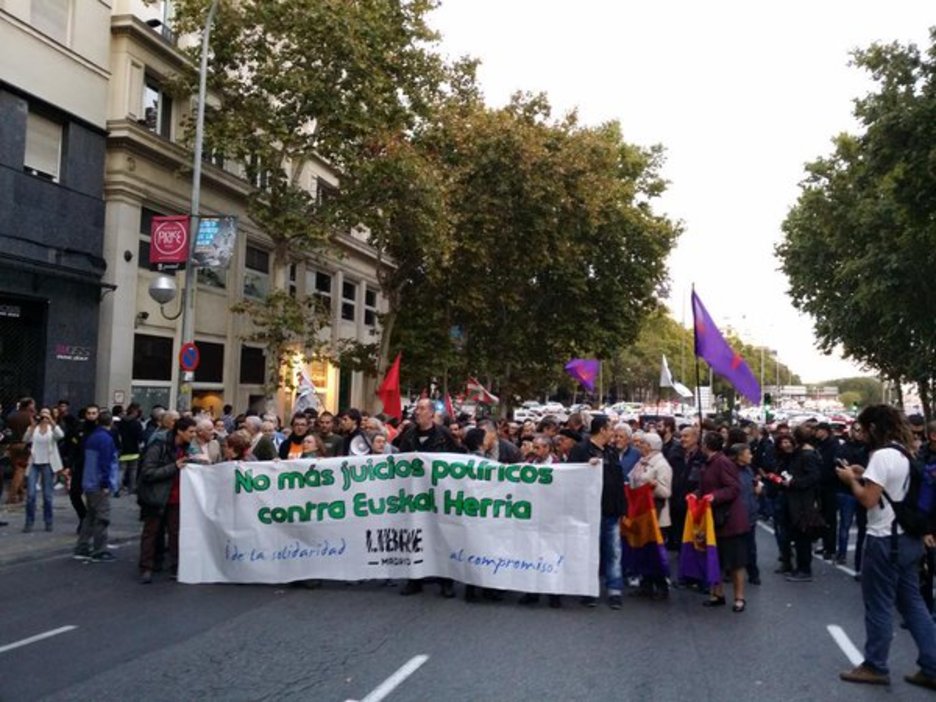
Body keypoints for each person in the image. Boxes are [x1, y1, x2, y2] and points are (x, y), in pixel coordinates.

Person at [837, 405, 936, 690]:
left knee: (878, 604)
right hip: (909, 538)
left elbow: (868, 499)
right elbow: (894, 488)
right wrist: (864, 472)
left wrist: (851, 480)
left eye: (864, 428)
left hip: (885, 540)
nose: (861, 433)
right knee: (913, 603)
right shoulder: (905, 453)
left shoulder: (881, 455)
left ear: (873, 428)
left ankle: (875, 665)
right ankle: (931, 666)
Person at [396, 398, 461, 598]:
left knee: (442, 534)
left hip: (438, 495)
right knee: (414, 535)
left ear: (432, 413)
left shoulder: (444, 435)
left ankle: (446, 580)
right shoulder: (408, 435)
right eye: (417, 408)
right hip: (415, 495)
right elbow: (398, 460)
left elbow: (458, 458)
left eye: (422, 408)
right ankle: (415, 579)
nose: (418, 412)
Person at [570, 416, 624, 609]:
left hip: (610, 509)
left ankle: (614, 590)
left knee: (613, 551)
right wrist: (586, 467)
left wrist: (621, 508)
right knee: (589, 551)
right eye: (611, 429)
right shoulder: (580, 450)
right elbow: (571, 477)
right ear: (602, 430)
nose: (613, 434)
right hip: (589, 511)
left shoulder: (611, 452)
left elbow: (618, 481)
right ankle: (588, 589)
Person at [138, 416, 198, 584]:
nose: (193, 435)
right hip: (157, 498)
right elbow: (148, 472)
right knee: (151, 533)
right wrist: (174, 467)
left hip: (177, 498)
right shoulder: (159, 447)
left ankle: (176, 567)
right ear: (180, 431)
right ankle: (146, 567)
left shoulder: (187, 449)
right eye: (191, 432)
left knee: (176, 534)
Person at [699, 431, 749, 612]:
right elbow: (706, 486)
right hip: (716, 518)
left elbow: (734, 488)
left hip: (730, 519)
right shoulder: (709, 462)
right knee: (715, 558)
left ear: (706, 445)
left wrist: (714, 496)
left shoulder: (722, 463)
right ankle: (717, 593)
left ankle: (739, 598)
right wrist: (696, 496)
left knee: (736, 561)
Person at [628, 431, 673, 599]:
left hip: (657, 517)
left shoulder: (661, 465)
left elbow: (666, 492)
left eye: (644, 444)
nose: (640, 446)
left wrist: (653, 486)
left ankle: (661, 585)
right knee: (644, 551)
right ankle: (646, 584)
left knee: (655, 553)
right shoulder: (641, 462)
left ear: (651, 447)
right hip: (642, 513)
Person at [74, 410, 118, 562]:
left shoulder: (92, 437)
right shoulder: (106, 439)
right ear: (111, 423)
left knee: (90, 516)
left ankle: (82, 547)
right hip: (99, 483)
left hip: (89, 481)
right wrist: (105, 483)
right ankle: (99, 550)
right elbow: (105, 463)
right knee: (102, 517)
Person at [783, 426, 823, 583]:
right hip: (799, 500)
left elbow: (813, 477)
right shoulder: (805, 453)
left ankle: (804, 569)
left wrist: (793, 482)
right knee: (800, 535)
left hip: (803, 501)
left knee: (803, 535)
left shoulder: (807, 455)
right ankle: (801, 567)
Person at [23, 407, 64, 532]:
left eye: (47, 414)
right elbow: (25, 439)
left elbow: (61, 435)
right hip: (34, 463)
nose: (44, 416)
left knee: (47, 496)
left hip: (48, 463)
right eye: (42, 414)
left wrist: (51, 421)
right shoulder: (34, 428)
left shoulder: (52, 429)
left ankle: (48, 521)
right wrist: (31, 427)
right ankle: (29, 522)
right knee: (30, 495)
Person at [730, 443, 762, 586]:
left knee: (750, 547)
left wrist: (757, 488)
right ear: (739, 456)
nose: (751, 456)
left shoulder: (749, 469)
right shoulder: (731, 471)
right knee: (736, 546)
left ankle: (753, 572)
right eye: (748, 453)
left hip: (750, 512)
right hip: (737, 514)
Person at [116, 403, 144, 495]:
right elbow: (140, 437)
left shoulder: (121, 422)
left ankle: (117, 489)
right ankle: (131, 489)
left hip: (123, 450)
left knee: (121, 470)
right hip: (134, 450)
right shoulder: (136, 423)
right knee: (133, 471)